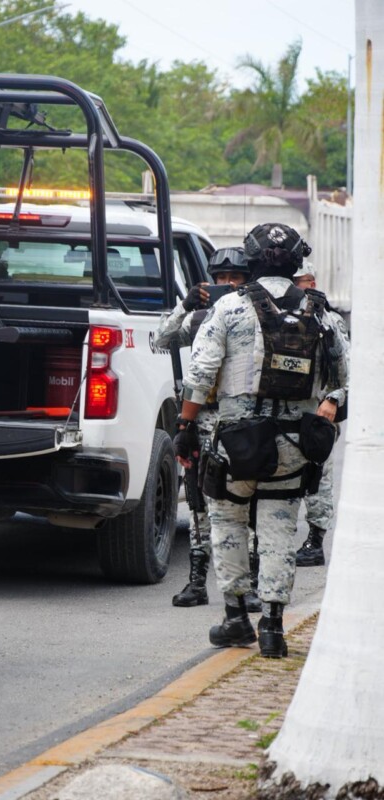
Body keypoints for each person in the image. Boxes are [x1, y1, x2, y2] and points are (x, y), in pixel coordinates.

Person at [173, 223, 349, 658]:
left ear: (249, 262)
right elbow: (346, 378)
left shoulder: (230, 309)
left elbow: (199, 376)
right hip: (294, 447)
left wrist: (184, 427)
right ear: (297, 263)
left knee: (229, 527)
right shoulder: (322, 313)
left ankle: (236, 619)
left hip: (234, 445)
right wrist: (329, 405)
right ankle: (273, 626)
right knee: (279, 532)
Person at [155, 248, 261, 612]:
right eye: (221, 279)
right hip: (201, 423)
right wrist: (185, 306)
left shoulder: (259, 316)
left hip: (240, 423)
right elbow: (161, 339)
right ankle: (197, 581)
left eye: (236, 278)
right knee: (199, 503)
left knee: (243, 503)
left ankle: (247, 586)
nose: (228, 284)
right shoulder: (200, 317)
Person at [292, 261, 351, 567]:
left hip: (319, 411)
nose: (293, 288)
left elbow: (347, 371)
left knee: (318, 478)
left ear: (311, 284)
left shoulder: (329, 320)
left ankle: (315, 541)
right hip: (292, 409)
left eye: (298, 282)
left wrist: (332, 399)